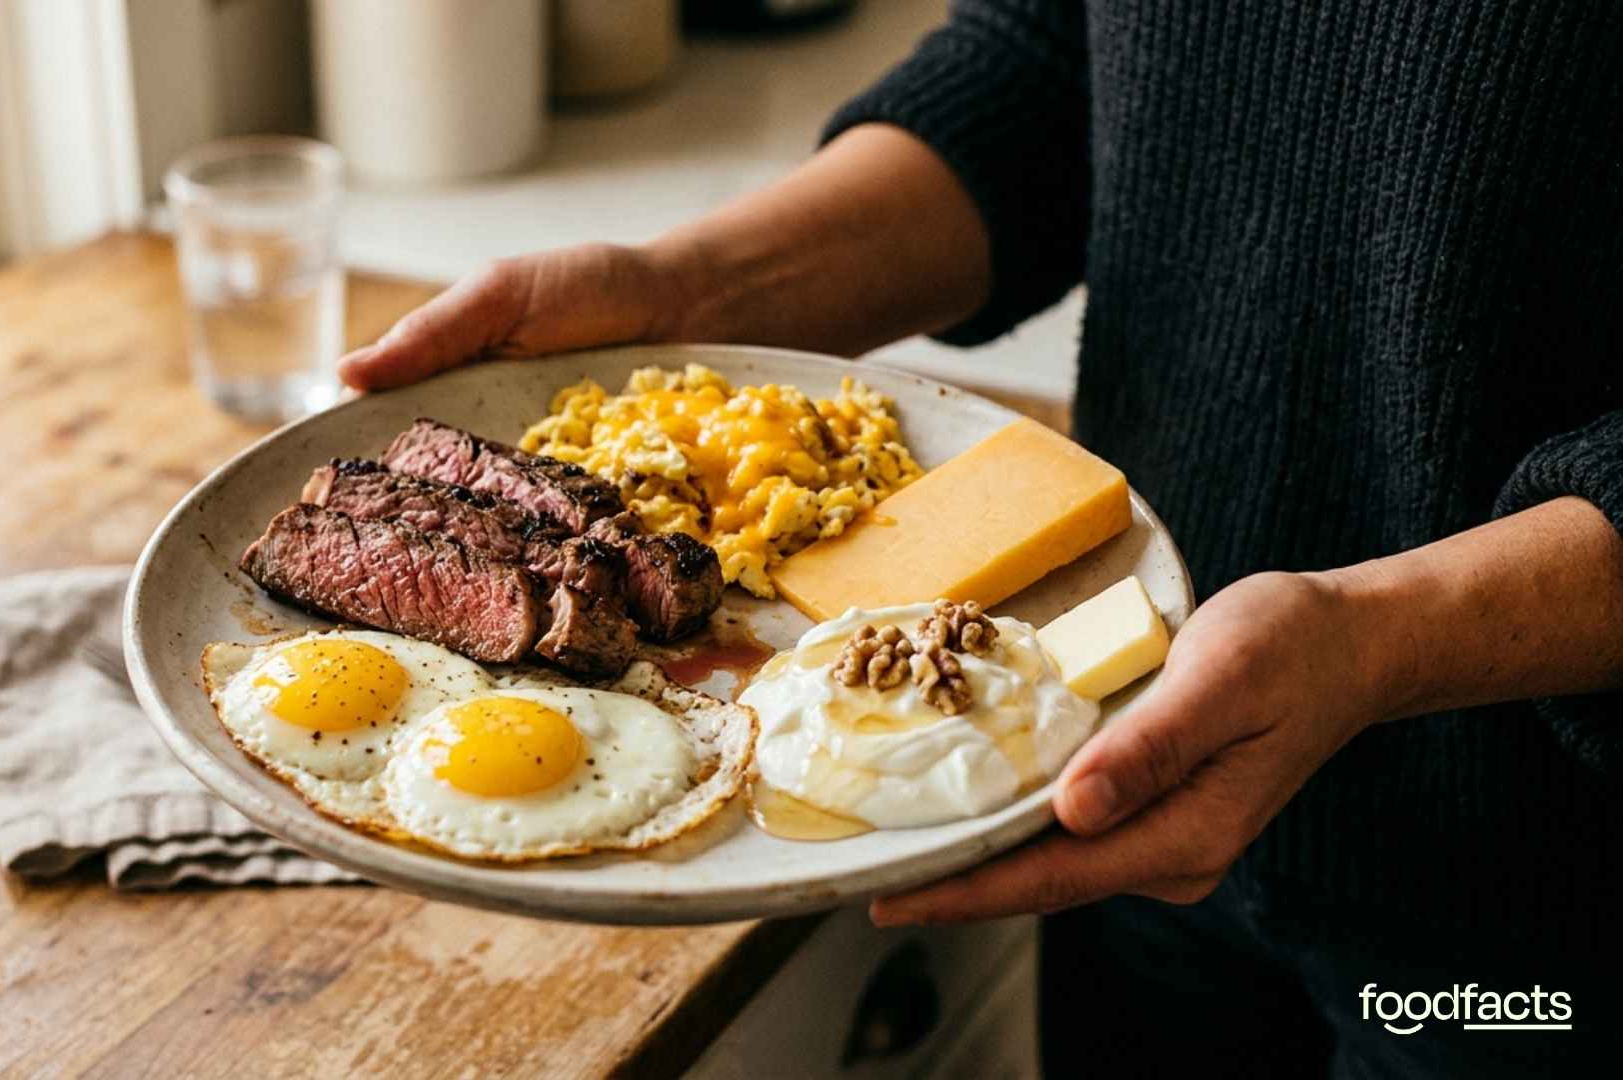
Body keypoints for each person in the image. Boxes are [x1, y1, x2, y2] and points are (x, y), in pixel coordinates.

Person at [338, 2, 1623, 1075]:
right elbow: (1054, 73)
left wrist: (1379, 642)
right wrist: (689, 295)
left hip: (1527, 932)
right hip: (1110, 759)